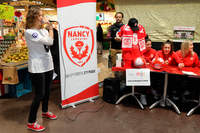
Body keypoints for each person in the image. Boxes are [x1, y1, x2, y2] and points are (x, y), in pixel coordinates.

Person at [25, 6, 57, 132]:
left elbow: (51, 40)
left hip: (48, 64)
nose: (43, 17)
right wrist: (50, 29)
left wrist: (49, 29)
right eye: (41, 15)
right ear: (34, 17)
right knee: (39, 94)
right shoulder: (30, 32)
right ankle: (31, 122)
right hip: (37, 67)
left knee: (48, 91)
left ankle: (45, 111)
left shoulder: (43, 31)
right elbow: (50, 42)